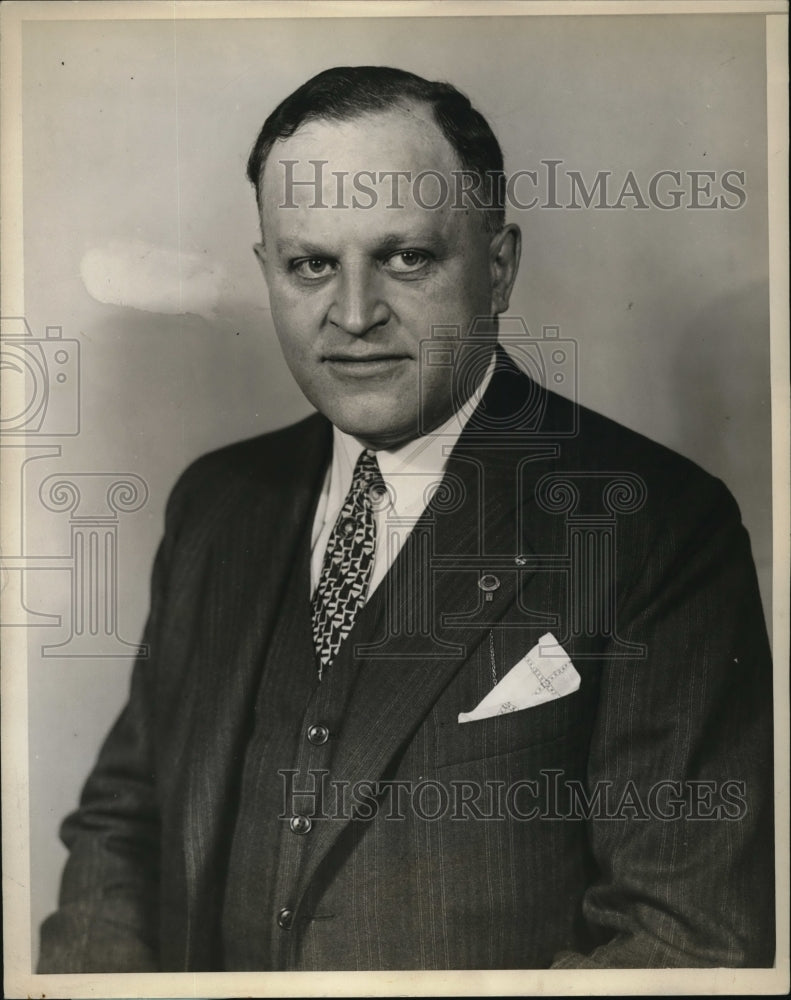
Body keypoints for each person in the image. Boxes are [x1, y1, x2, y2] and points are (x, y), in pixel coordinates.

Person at [38, 65, 774, 973]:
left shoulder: (655, 525)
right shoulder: (218, 504)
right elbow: (124, 826)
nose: (353, 315)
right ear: (269, 272)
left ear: (497, 267)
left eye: (406, 258)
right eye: (311, 265)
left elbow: (685, 940)